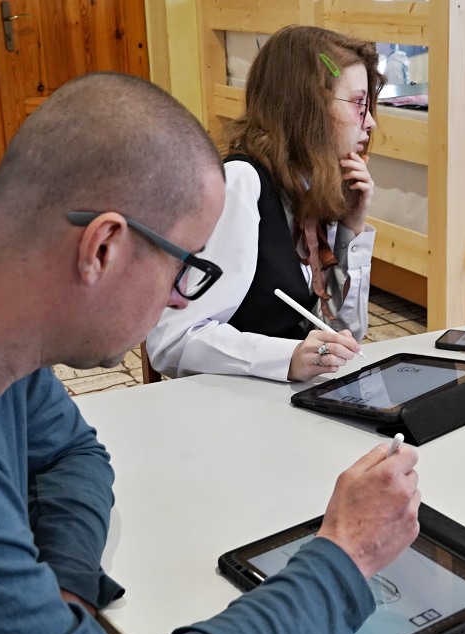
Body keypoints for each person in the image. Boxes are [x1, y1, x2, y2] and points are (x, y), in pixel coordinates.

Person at [0, 71, 420, 634]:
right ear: (102, 248)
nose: (181, 299)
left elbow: (68, 454)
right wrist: (345, 558)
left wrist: (61, 597)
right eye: (185, 266)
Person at [147, 25, 381, 383]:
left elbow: (342, 332)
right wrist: (286, 357)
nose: (371, 122)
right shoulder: (241, 184)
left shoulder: (313, 184)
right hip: (234, 402)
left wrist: (352, 228)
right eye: (359, 104)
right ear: (308, 106)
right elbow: (172, 341)